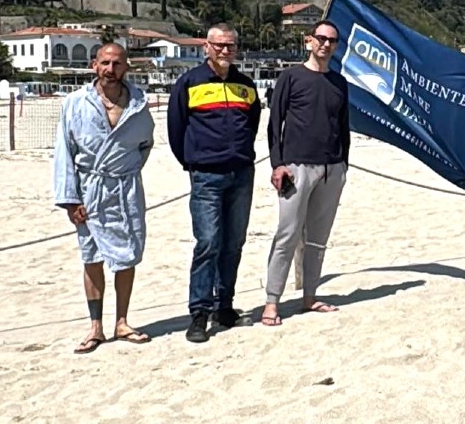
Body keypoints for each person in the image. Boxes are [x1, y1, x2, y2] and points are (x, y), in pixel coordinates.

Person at [53, 43, 155, 354]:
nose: (111, 70)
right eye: (105, 63)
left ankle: (122, 321)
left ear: (127, 67)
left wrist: (128, 170)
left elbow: (145, 144)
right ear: (94, 65)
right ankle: (95, 326)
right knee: (92, 256)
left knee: (127, 253)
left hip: (125, 187)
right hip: (88, 190)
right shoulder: (75, 103)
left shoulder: (139, 103)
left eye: (117, 64)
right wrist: (70, 199)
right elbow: (64, 152)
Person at [168, 23, 262, 343]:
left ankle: (225, 304)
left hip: (241, 174)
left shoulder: (246, 86)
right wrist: (192, 163)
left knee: (233, 243)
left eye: (230, 46)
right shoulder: (189, 83)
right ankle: (199, 312)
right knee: (208, 242)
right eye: (219, 45)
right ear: (206, 47)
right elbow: (176, 129)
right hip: (205, 175)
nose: (225, 51)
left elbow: (252, 123)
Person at [262, 20, 350, 325]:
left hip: (332, 168)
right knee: (287, 234)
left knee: (317, 238)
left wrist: (344, 165)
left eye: (332, 41)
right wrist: (278, 163)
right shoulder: (291, 76)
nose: (326, 44)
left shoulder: (339, 83)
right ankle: (272, 302)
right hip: (296, 167)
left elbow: (343, 127)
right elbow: (274, 124)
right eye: (321, 38)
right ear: (309, 41)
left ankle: (309, 296)